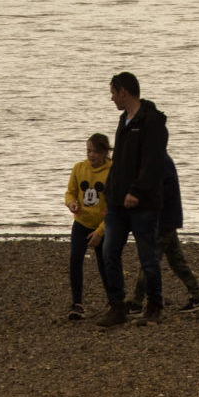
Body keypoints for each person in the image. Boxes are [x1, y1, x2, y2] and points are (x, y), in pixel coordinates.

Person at [97, 71, 169, 327]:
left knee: (147, 255)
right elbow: (119, 163)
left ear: (124, 92)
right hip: (117, 202)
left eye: (113, 93)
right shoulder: (123, 121)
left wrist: (136, 192)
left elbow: (152, 163)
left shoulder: (152, 121)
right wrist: (110, 189)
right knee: (109, 251)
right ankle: (117, 306)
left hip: (144, 203)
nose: (112, 98)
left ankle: (155, 305)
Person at [63, 132, 112, 319]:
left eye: (96, 152)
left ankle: (112, 300)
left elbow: (114, 207)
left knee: (105, 263)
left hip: (103, 226)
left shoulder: (111, 171)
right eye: (89, 151)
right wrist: (71, 204)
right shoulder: (79, 168)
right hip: (81, 223)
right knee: (75, 259)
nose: (91, 155)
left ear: (105, 153)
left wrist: (100, 231)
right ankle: (77, 303)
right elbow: (70, 192)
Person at [154, 152, 199, 312]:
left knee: (151, 260)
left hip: (164, 220)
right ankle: (198, 296)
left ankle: (135, 302)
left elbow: (165, 191)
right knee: (176, 260)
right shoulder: (159, 160)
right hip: (166, 219)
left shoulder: (160, 162)